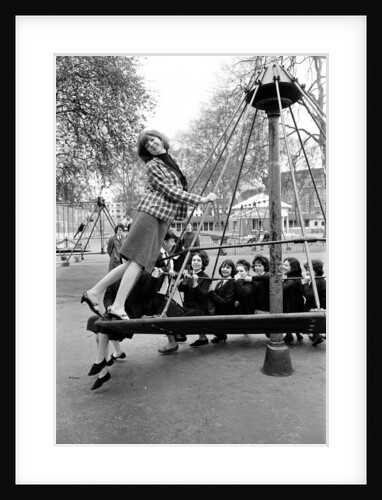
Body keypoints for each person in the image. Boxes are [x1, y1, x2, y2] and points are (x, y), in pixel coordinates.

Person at [81, 129, 217, 320]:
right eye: (147, 144)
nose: (151, 144)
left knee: (132, 262)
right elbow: (169, 191)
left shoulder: (169, 162)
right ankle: (118, 306)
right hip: (150, 214)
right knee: (139, 261)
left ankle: (94, 292)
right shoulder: (152, 165)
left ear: (161, 139)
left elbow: (177, 189)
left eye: (152, 140)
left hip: (161, 217)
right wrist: (200, 200)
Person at [86, 269, 159, 390]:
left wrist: (154, 278)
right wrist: (109, 306)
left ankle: (101, 363)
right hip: (112, 311)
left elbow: (149, 297)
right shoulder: (116, 274)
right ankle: (103, 371)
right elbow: (108, 296)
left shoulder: (144, 275)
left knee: (102, 328)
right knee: (99, 331)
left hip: (130, 314)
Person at [178, 250, 211, 347]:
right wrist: (184, 282)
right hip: (188, 306)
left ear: (203, 263)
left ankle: (181, 333)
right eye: (194, 260)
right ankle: (202, 338)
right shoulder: (189, 274)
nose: (196, 262)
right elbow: (181, 289)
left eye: (198, 261)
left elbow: (203, 296)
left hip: (198, 307)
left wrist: (196, 284)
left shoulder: (206, 278)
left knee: (180, 321)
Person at [207, 259, 236, 343]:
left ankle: (221, 334)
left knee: (207, 322)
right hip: (217, 311)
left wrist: (212, 292)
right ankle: (220, 335)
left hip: (226, 313)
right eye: (223, 267)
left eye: (228, 268)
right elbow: (213, 297)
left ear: (232, 270)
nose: (224, 269)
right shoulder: (219, 283)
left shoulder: (232, 283)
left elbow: (226, 303)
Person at [302, 259, 326, 347]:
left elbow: (308, 295)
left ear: (316, 271)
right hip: (319, 307)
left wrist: (305, 283)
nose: (307, 272)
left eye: (309, 270)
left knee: (305, 310)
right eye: (306, 270)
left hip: (317, 309)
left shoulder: (317, 282)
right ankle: (315, 334)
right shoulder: (320, 280)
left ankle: (315, 334)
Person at [282, 257, 305, 343]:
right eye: (283, 264)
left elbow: (280, 289)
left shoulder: (291, 281)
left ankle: (289, 335)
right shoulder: (297, 277)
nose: (283, 266)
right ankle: (297, 333)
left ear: (293, 268)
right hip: (297, 305)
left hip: (290, 306)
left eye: (286, 265)